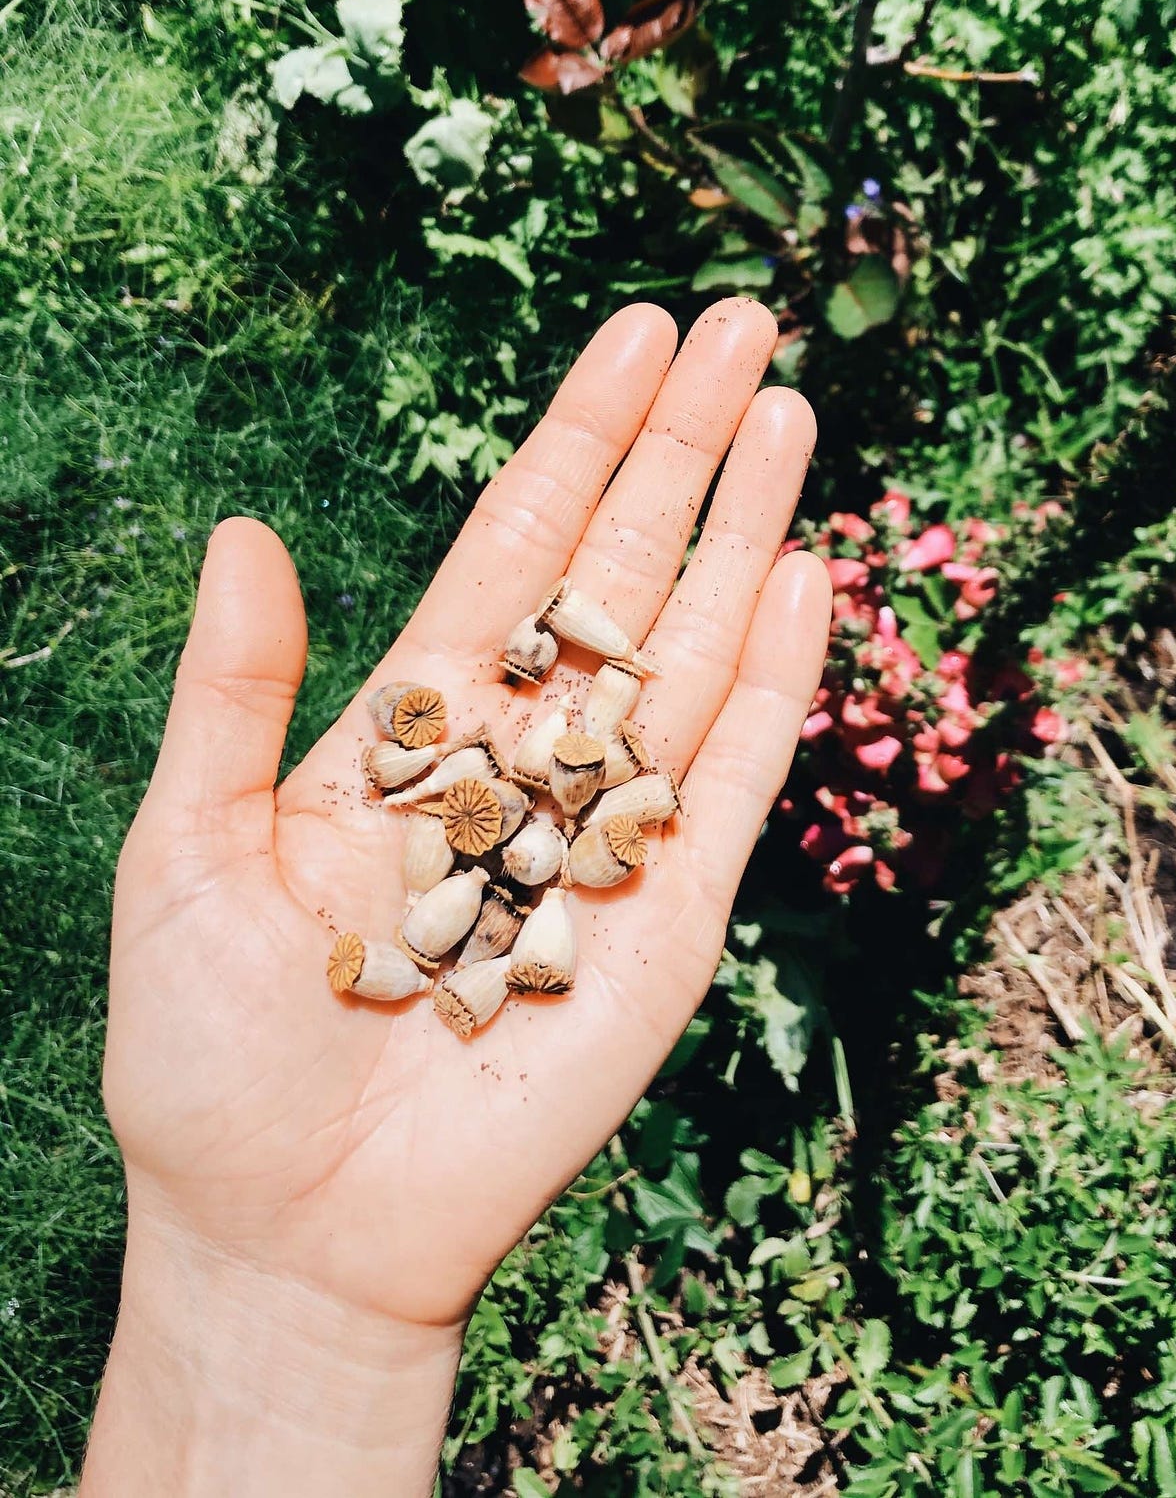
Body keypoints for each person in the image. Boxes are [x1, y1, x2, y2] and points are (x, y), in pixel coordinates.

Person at [79, 299, 831, 1497]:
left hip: (503, 854)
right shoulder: (477, 821)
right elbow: (502, 867)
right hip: (484, 864)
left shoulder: (517, 826)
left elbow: (535, 864)